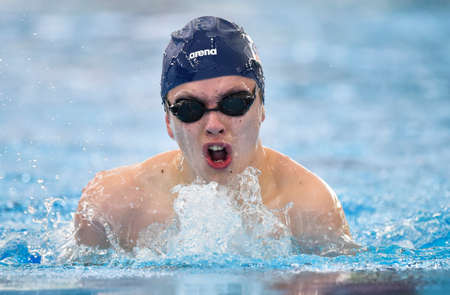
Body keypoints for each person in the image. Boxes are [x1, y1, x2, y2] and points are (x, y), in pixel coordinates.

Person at [74, 16, 357, 256]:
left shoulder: (310, 206)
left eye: (234, 102)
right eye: (189, 108)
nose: (213, 124)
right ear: (169, 123)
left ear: (261, 108)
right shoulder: (111, 206)